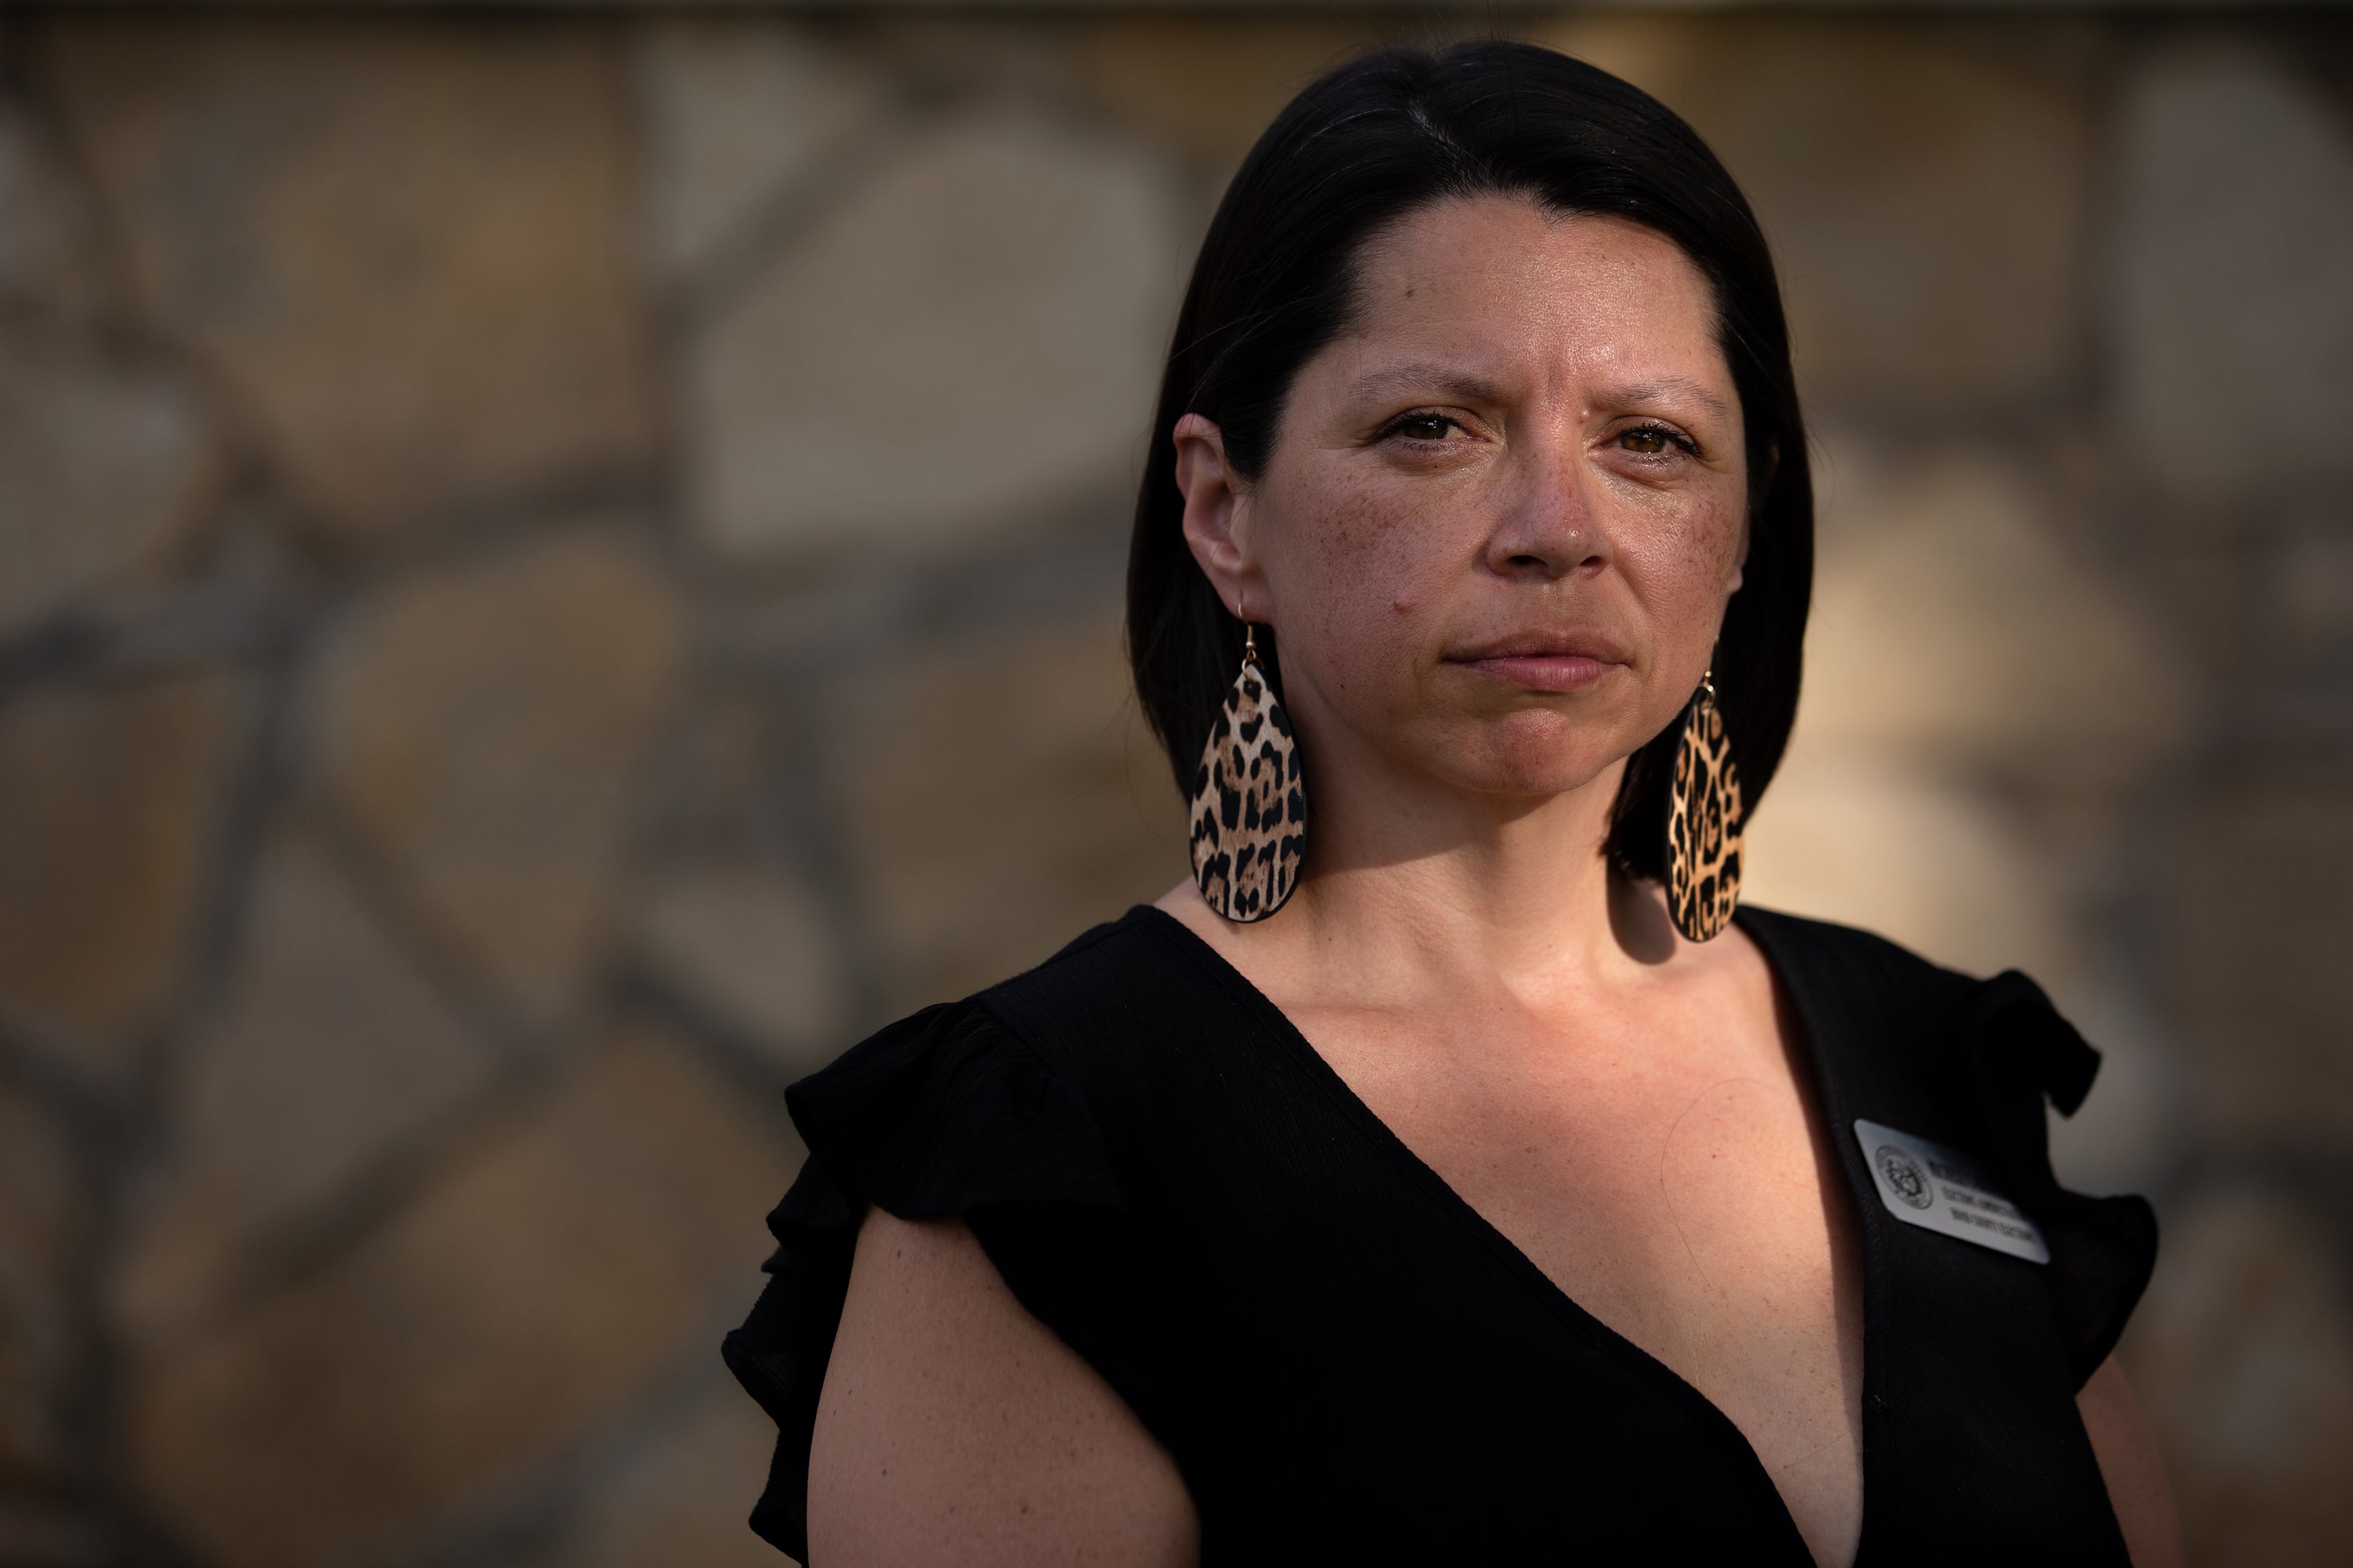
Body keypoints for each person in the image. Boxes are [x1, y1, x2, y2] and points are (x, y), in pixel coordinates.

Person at [724, 40, 2181, 1567]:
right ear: (1225, 517)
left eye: (1650, 443)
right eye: (1433, 428)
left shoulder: (1926, 1060)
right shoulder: (1061, 1158)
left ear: (1745, 526)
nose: (1559, 529)